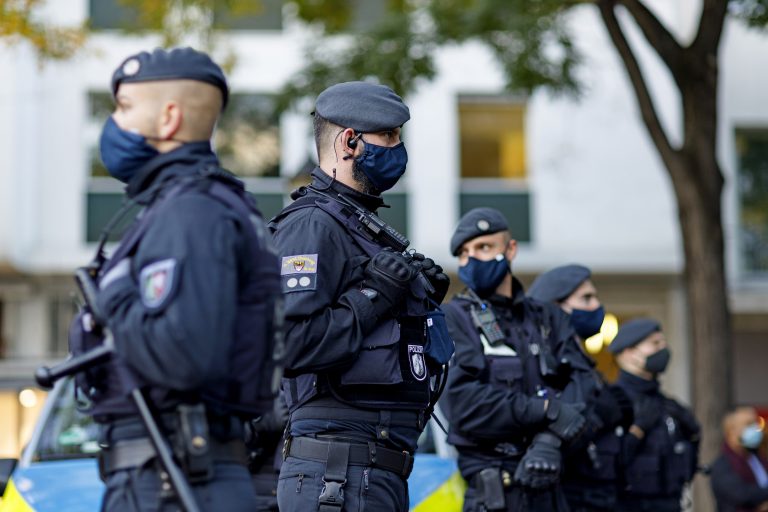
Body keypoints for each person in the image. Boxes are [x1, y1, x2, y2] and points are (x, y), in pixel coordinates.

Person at [69, 47, 282, 511]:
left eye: (124, 108)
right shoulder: (189, 205)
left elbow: (183, 356)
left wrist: (115, 291)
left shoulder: (192, 211)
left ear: (168, 118)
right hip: (169, 475)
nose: (113, 123)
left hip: (173, 482)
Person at [268, 81, 451, 512]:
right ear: (349, 142)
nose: (397, 149)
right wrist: (376, 295)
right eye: (388, 137)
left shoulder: (361, 227)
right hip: (337, 471)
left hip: (373, 468)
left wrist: (418, 297)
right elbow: (292, 344)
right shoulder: (311, 225)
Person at [440, 208, 594, 512]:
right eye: (463, 253)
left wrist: (549, 441)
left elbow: (585, 385)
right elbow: (462, 404)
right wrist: (547, 411)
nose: (472, 259)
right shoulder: (453, 318)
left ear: (510, 250)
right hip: (495, 495)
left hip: (553, 491)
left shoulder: (547, 317)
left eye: (484, 247)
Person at [528, 264, 634, 512]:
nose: (596, 305)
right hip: (567, 494)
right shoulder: (545, 361)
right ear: (556, 306)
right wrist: (596, 419)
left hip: (599, 493)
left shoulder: (582, 361)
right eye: (586, 298)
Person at [608, 318, 701, 512]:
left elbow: (685, 463)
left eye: (663, 342)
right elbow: (607, 465)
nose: (664, 348)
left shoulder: (667, 405)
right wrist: (638, 430)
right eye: (655, 343)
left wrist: (693, 435)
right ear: (629, 353)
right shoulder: (612, 400)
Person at [710, 407, 768, 512]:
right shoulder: (722, 465)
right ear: (732, 431)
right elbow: (742, 495)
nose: (755, 428)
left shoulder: (758, 458)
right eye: (749, 424)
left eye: (755, 423)